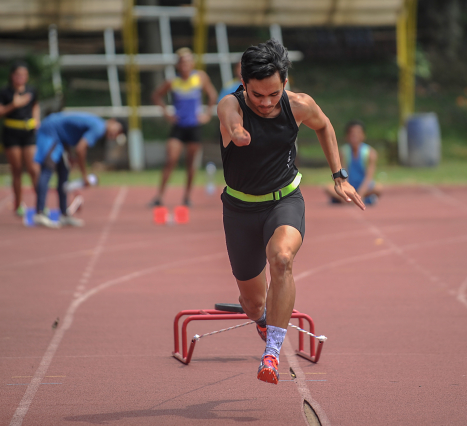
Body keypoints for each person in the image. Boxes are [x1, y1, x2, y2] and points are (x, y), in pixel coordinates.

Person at [217, 39, 365, 384]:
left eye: (273, 93)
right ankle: (263, 317)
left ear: (285, 83)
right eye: (257, 95)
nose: (266, 103)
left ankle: (271, 354)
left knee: (281, 258)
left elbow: (324, 126)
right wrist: (238, 134)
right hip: (239, 209)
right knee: (254, 305)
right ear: (244, 84)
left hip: (284, 200)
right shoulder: (230, 105)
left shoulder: (298, 105)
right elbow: (231, 119)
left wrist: (339, 176)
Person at [149, 47, 218, 207]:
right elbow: (156, 96)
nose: (185, 64)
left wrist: (207, 114)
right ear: (178, 65)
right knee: (171, 160)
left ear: (192, 63)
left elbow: (212, 95)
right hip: (179, 126)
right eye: (182, 62)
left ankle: (187, 197)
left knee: (190, 163)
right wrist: (167, 114)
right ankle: (159, 196)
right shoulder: (173, 81)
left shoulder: (200, 77)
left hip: (194, 126)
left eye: (188, 61)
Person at [32, 112, 125, 228]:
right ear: (112, 121)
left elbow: (67, 131)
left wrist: (69, 155)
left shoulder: (98, 124)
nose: (115, 135)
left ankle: (64, 214)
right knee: (47, 170)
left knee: (64, 172)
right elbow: (80, 149)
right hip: (51, 131)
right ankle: (39, 213)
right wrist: (84, 176)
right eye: (117, 130)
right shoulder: (99, 128)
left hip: (59, 136)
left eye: (118, 135)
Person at [0, 61, 40, 217]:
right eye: (18, 75)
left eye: (24, 75)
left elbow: (35, 105)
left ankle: (41, 204)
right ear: (12, 76)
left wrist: (36, 120)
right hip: (11, 133)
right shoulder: (5, 92)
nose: (21, 78)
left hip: (28, 133)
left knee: (34, 169)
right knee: (17, 170)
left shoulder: (31, 90)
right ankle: (18, 205)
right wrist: (13, 105)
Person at [325, 120, 382, 205]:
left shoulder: (370, 153)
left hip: (363, 186)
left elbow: (368, 178)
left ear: (363, 135)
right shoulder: (343, 152)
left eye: (358, 132)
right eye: (352, 133)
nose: (355, 135)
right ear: (347, 136)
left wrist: (361, 194)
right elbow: (343, 175)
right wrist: (346, 191)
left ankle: (350, 199)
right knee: (328, 188)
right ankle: (348, 198)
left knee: (379, 188)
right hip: (349, 185)